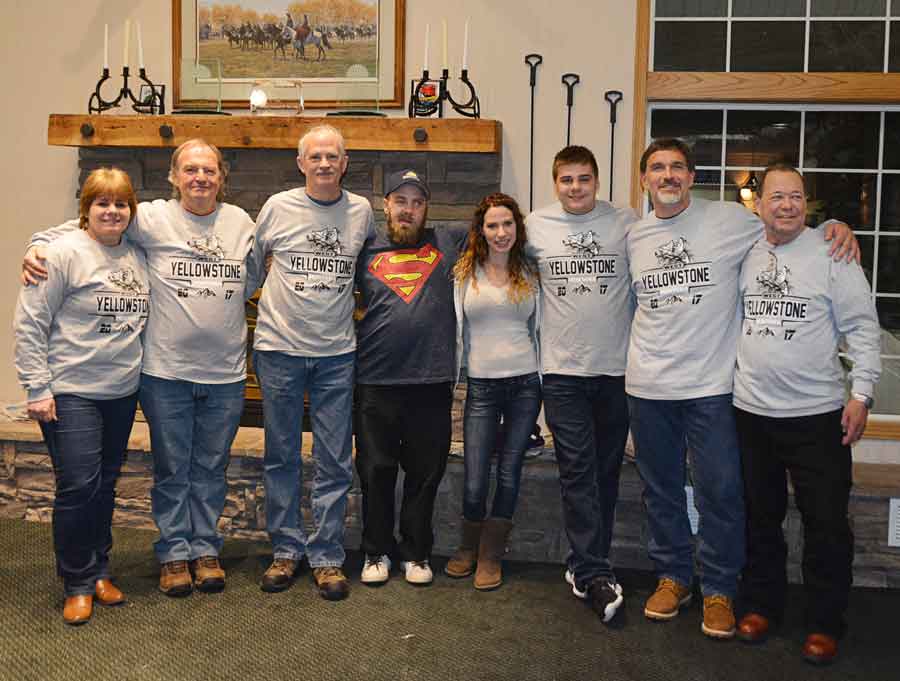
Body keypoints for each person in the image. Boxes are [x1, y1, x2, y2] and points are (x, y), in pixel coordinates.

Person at [627, 138, 858, 639]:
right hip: (647, 388)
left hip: (713, 388)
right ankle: (672, 577)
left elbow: (787, 226)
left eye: (677, 168)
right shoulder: (632, 234)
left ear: (692, 176)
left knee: (721, 494)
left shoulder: (732, 222)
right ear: (644, 179)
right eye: (657, 168)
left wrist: (834, 227)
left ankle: (719, 590)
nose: (667, 176)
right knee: (661, 491)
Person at [22, 140, 258, 598]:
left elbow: (258, 272)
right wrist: (38, 243)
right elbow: (91, 222)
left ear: (221, 177)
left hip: (227, 373)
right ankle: (173, 553)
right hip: (164, 372)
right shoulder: (149, 217)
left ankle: (204, 549)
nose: (200, 178)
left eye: (208, 170)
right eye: (190, 169)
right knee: (172, 469)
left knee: (211, 467)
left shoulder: (241, 223)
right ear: (174, 176)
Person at [733, 164, 880, 664]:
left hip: (817, 416)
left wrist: (861, 395)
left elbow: (862, 328)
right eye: (777, 196)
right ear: (760, 204)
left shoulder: (833, 252)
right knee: (760, 518)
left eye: (796, 196)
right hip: (750, 412)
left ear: (806, 201)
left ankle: (824, 622)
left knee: (826, 525)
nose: (788, 205)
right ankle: (760, 606)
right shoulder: (744, 250)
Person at [14, 168, 149, 624]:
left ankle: (99, 571)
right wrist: (37, 387)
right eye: (101, 203)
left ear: (131, 211)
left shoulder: (138, 253)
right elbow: (30, 322)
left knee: (105, 485)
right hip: (71, 390)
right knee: (78, 486)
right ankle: (75, 581)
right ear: (85, 209)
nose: (112, 211)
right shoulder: (61, 253)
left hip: (121, 390)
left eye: (120, 204)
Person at [252, 124, 374, 600]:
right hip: (279, 349)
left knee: (334, 459)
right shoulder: (278, 207)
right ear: (301, 163)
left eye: (333, 157)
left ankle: (326, 557)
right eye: (315, 157)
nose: (324, 164)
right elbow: (250, 264)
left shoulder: (361, 212)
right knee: (281, 455)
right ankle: (285, 551)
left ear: (345, 163)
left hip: (336, 356)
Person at [525, 146, 637, 622]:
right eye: (567, 180)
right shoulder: (534, 226)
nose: (576, 188)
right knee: (576, 468)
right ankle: (594, 572)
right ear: (556, 182)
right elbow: (486, 240)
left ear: (597, 180)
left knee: (605, 472)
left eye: (584, 179)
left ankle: (585, 563)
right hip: (563, 372)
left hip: (616, 371)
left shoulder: (627, 223)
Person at [353, 169, 466, 586]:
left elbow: (503, 229)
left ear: (426, 209)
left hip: (431, 382)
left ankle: (416, 551)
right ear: (386, 205)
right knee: (375, 471)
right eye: (400, 201)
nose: (409, 209)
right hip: (375, 380)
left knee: (425, 473)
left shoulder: (449, 241)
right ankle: (375, 550)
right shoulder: (363, 248)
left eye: (417, 203)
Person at [444, 192, 541, 590]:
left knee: (510, 472)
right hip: (481, 386)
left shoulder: (531, 271)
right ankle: (468, 546)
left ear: (518, 229)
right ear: (480, 231)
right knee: (475, 476)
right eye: (492, 225)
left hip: (525, 384)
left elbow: (543, 327)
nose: (501, 233)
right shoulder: (465, 273)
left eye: (507, 224)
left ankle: (490, 554)